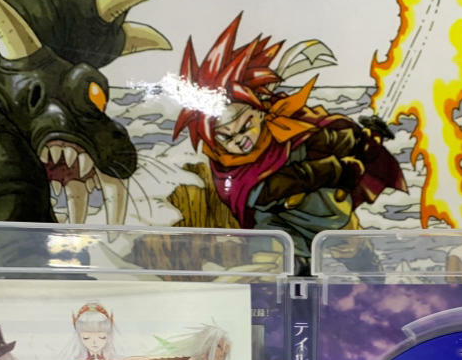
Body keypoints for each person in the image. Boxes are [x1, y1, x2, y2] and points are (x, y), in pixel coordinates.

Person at [173, 15, 406, 270]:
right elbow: (266, 191)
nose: (240, 140)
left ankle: (373, 280)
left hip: (328, 213)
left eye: (245, 127)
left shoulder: (283, 127)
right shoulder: (227, 166)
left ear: (260, 113)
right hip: (278, 227)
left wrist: (358, 143)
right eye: (226, 136)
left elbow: (323, 138)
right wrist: (335, 170)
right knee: (285, 271)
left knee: (360, 259)